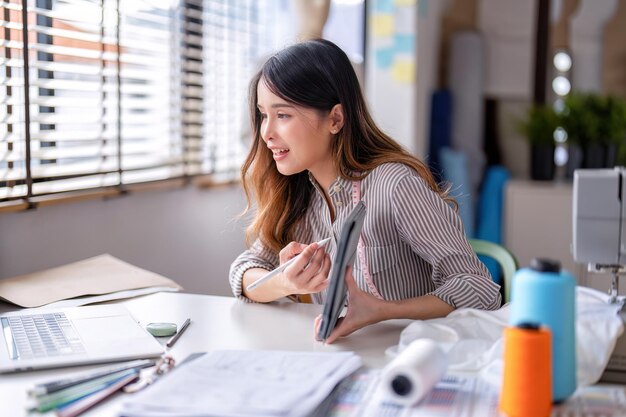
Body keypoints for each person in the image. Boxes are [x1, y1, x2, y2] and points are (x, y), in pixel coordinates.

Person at [229, 39, 501, 344]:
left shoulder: (394, 186)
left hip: (412, 360)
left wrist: (383, 311)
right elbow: (243, 272)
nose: (266, 132)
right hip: (343, 360)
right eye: (263, 114)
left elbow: (480, 290)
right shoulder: (297, 195)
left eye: (283, 115)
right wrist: (283, 281)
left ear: (335, 119)